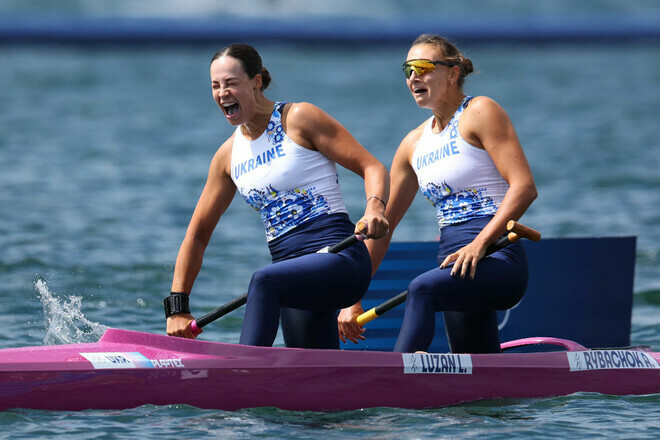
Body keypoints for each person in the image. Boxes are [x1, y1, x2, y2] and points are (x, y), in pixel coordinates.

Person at [165, 43, 389, 349]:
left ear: (256, 82)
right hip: (292, 278)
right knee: (312, 374)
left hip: (340, 258)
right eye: (215, 86)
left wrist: (375, 208)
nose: (222, 93)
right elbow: (198, 234)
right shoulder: (227, 156)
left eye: (231, 83)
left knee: (263, 280)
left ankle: (241, 374)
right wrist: (178, 307)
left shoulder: (298, 118)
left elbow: (371, 166)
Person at [338, 34, 537, 353]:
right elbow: (383, 229)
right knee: (479, 379)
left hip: (498, 257)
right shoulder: (412, 145)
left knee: (422, 288)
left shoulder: (480, 111)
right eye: (408, 70)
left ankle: (396, 379)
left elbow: (525, 188)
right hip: (454, 265)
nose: (414, 76)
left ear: (453, 72)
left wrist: (479, 244)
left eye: (424, 67)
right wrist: (352, 298)